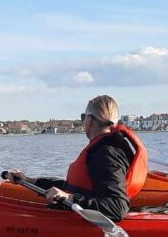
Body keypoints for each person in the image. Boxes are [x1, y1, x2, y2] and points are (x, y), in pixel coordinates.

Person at [11, 95, 148, 222]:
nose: (83, 121)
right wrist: (29, 180)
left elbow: (118, 208)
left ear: (90, 120)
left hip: (88, 224)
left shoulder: (105, 154)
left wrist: (71, 198)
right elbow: (72, 187)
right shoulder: (104, 147)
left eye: (83, 117)